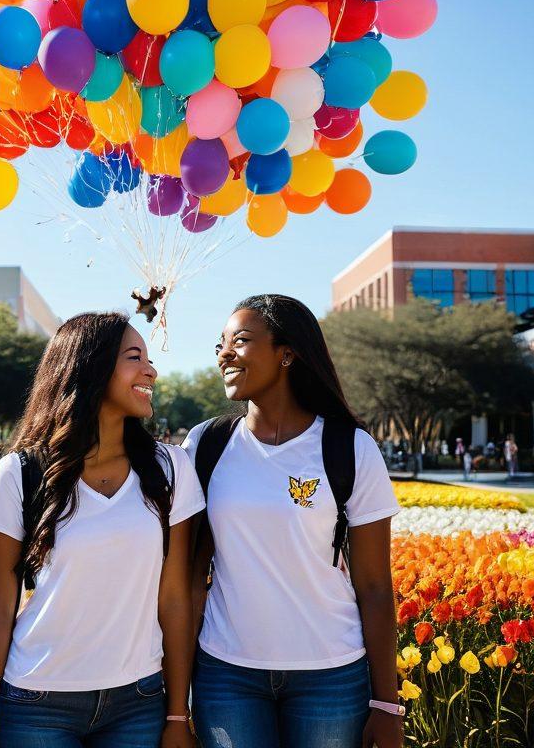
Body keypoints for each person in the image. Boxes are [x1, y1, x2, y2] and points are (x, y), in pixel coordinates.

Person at [0, 312, 204, 748]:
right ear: (91, 367)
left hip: (139, 701)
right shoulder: (20, 473)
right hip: (37, 703)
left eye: (148, 358)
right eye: (135, 357)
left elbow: (174, 598)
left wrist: (176, 714)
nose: (150, 370)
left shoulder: (172, 469)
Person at [186, 295, 404, 748]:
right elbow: (190, 577)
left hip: (331, 675)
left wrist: (386, 704)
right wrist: (175, 700)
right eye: (220, 344)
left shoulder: (351, 448)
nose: (224, 353)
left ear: (287, 354)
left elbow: (376, 586)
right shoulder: (204, 445)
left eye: (241, 341)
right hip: (226, 674)